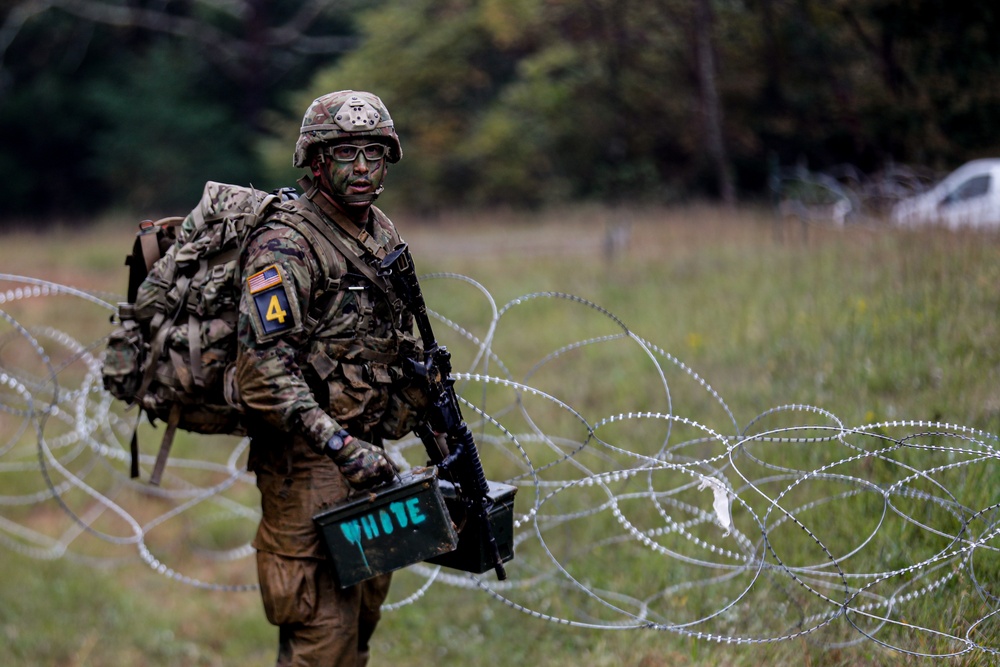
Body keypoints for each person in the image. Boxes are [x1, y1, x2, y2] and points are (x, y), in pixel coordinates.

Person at [235, 90, 428, 667]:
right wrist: (339, 444)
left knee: (362, 623)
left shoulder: (380, 232)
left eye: (374, 152)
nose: (364, 167)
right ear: (316, 162)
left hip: (370, 451)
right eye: (347, 153)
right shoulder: (286, 243)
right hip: (307, 462)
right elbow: (263, 369)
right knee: (321, 636)